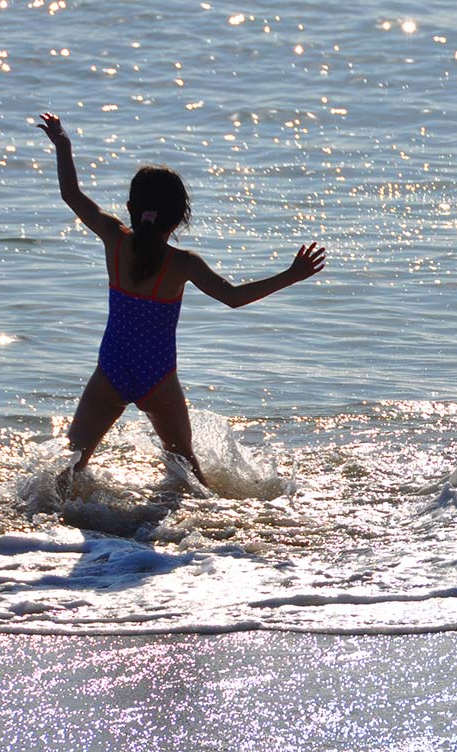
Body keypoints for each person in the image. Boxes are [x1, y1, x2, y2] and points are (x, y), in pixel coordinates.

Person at [34, 113, 326, 487]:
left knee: (72, 464)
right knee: (186, 471)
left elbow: (71, 195)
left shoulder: (114, 239)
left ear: (130, 207)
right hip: (158, 375)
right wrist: (292, 275)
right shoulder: (183, 264)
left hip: (111, 369)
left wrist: (63, 145)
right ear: (180, 217)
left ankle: (45, 524)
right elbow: (233, 298)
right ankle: (210, 528)